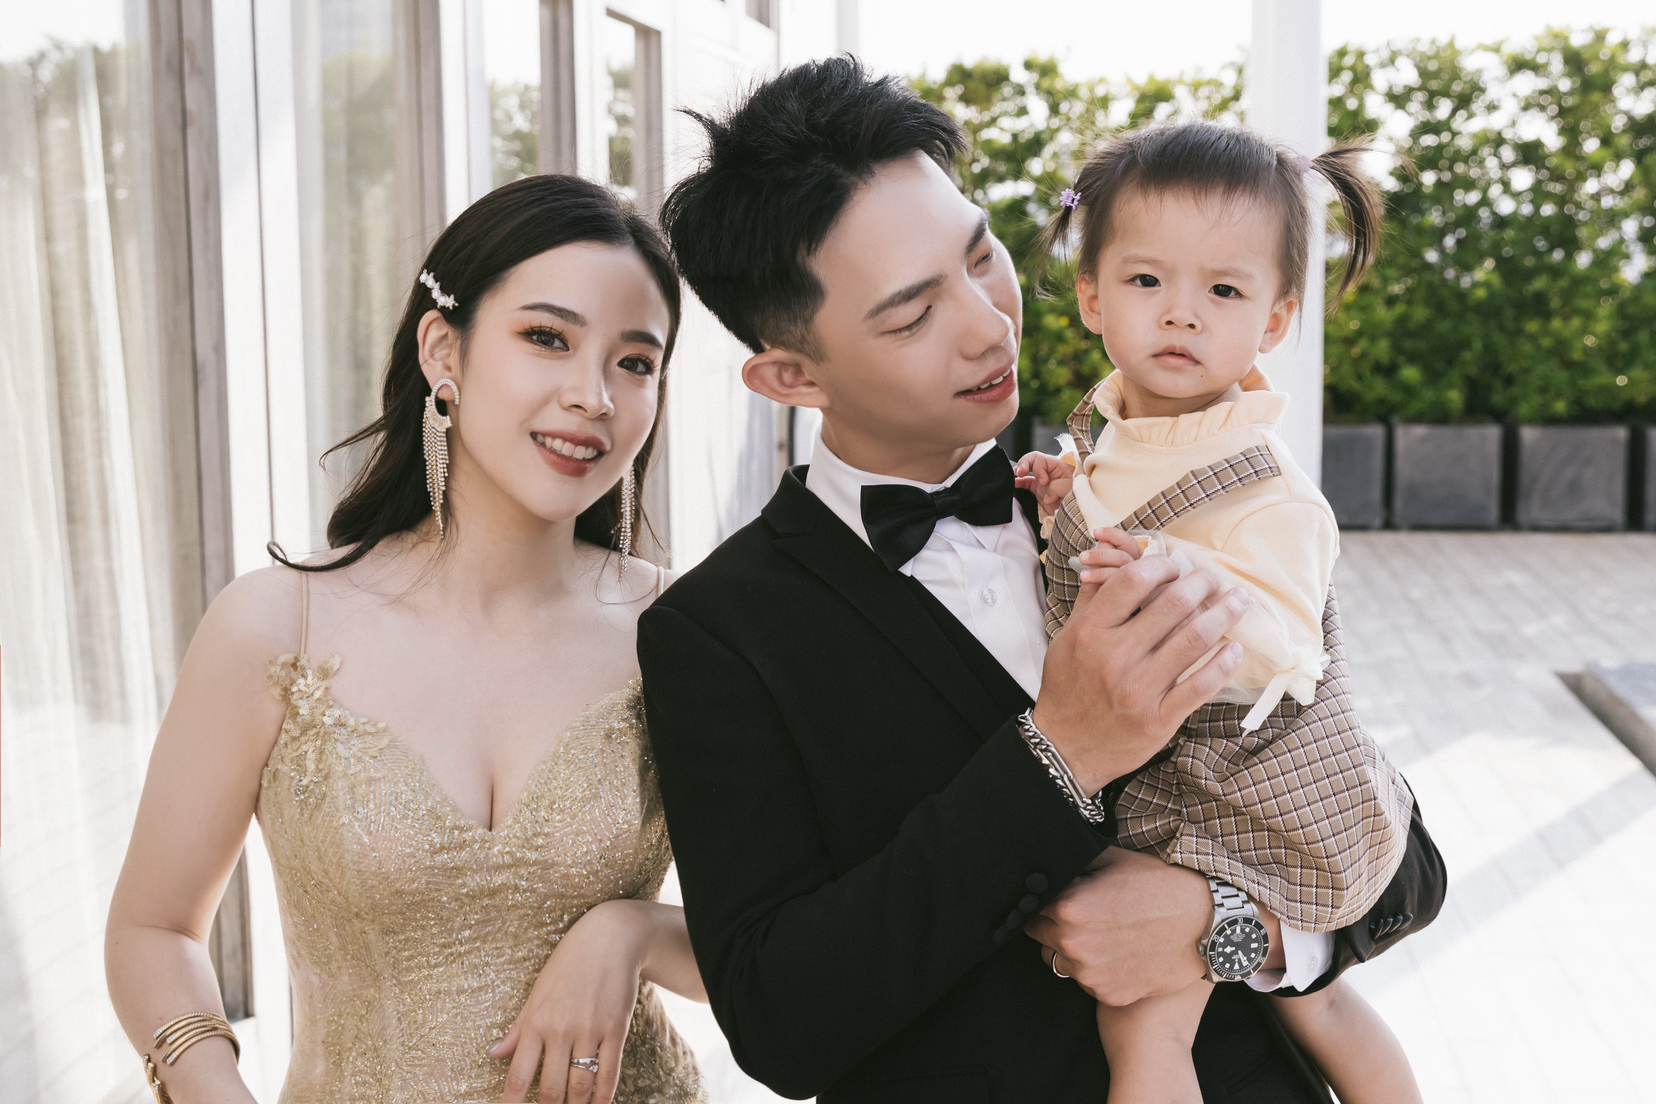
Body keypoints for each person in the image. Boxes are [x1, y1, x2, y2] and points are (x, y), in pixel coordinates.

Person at [638, 56, 1445, 1103]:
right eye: (911, 315)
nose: (989, 324)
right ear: (791, 376)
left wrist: (1225, 926)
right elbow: (781, 1023)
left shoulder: (1156, 491)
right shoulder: (719, 630)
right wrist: (1059, 754)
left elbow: (1399, 860)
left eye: (982, 258)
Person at [105, 174, 707, 1104]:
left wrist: (635, 933)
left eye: (635, 362)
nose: (592, 395)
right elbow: (153, 929)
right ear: (442, 351)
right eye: (547, 338)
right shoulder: (280, 627)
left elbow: (785, 949)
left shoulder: (686, 631)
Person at [1015, 120, 1422, 1104]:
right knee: (1311, 1003)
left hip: (1254, 788)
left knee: (1149, 1026)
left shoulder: (1270, 490)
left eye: (1224, 292)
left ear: (1275, 320)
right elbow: (1122, 507)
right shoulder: (1118, 432)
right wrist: (1069, 501)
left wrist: (1171, 573)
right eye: (1147, 280)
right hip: (1188, 777)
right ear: (1091, 296)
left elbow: (1287, 650)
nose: (1181, 314)